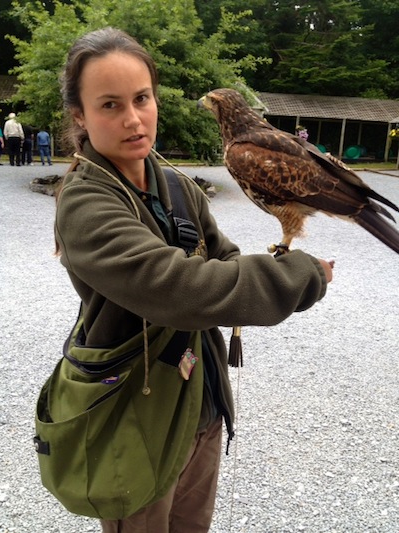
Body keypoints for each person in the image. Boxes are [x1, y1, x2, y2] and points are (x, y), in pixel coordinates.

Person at [55, 27, 333, 533]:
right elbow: (176, 288)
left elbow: (223, 262)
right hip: (133, 411)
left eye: (142, 98)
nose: (134, 118)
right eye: (110, 105)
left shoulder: (180, 187)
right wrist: (300, 275)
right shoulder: (85, 204)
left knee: (192, 525)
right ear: (80, 115)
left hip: (199, 396)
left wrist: (272, 260)